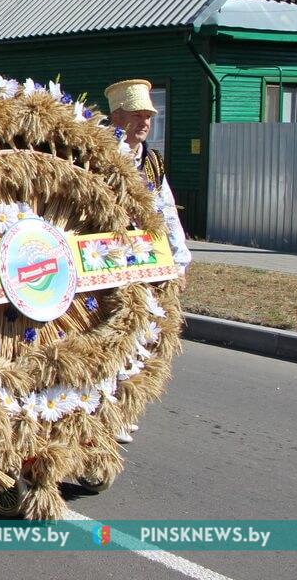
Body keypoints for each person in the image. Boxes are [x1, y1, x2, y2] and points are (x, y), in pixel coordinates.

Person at [105, 78, 192, 444]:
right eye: (137, 115)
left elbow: (166, 211)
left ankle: (122, 411)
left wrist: (180, 259)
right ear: (118, 117)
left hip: (147, 264)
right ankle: (101, 410)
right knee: (108, 336)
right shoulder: (100, 156)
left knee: (141, 338)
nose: (144, 122)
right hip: (106, 262)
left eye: (148, 116)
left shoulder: (151, 161)